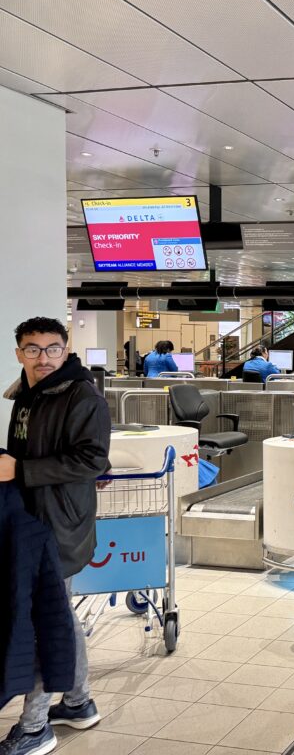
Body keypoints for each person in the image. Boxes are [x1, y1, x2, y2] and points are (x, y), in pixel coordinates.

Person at [0, 317, 112, 755]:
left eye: (52, 348)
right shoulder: (26, 396)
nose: (43, 357)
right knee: (58, 613)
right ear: (19, 353)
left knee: (43, 619)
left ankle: (34, 728)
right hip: (32, 520)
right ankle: (79, 702)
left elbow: (93, 461)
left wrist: (20, 470)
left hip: (61, 523)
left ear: (65, 349)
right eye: (33, 349)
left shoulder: (82, 396)